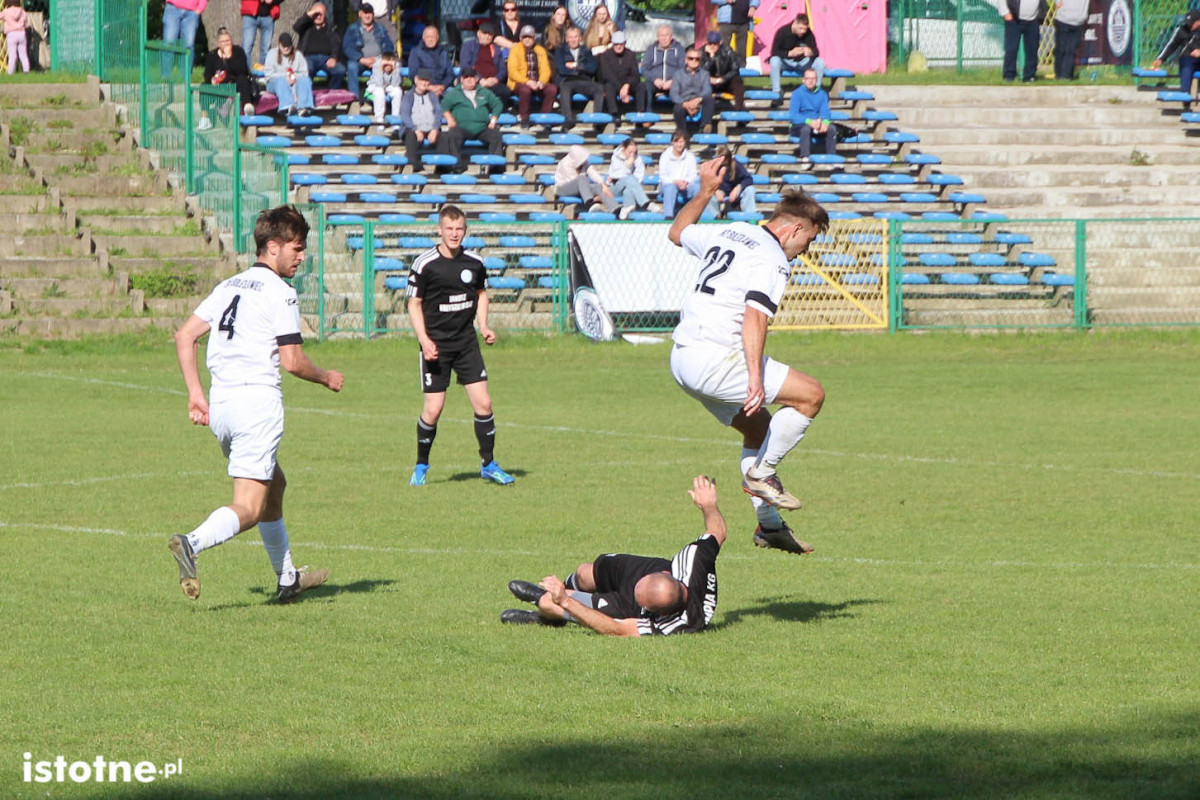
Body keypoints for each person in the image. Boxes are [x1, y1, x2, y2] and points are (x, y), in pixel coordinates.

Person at [170, 205, 343, 603]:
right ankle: (191, 542)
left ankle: (287, 579)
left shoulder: (229, 285)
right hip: (256, 406)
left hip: (224, 405)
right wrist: (327, 376)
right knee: (249, 507)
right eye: (297, 249)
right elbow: (293, 361)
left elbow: (185, 337)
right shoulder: (281, 293)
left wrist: (196, 394)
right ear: (272, 246)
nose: (302, 257)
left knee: (274, 484)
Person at [666, 158, 829, 555]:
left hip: (682, 358)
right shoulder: (772, 258)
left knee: (758, 431)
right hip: (717, 360)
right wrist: (754, 376)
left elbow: (677, 232)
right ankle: (764, 473)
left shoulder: (733, 231)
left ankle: (769, 527)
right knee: (810, 395)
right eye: (806, 243)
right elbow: (755, 317)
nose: (800, 253)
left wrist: (705, 190)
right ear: (794, 229)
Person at [501, 475, 725, 636]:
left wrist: (566, 601)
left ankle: (545, 615)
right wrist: (708, 505)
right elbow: (718, 531)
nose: (633, 587)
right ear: (668, 575)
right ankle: (568, 588)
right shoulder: (694, 563)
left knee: (549, 603)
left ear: (651, 611)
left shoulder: (670, 625)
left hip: (625, 607)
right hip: (649, 571)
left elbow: (614, 629)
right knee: (585, 572)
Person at [405, 204, 514, 488]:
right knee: (433, 409)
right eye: (449, 229)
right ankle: (421, 465)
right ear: (439, 230)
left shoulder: (475, 263)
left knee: (484, 403)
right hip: (436, 347)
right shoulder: (425, 263)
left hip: (466, 343)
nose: (454, 234)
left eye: (459, 229)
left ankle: (488, 464)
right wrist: (424, 340)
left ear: (465, 230)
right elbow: (414, 304)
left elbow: (481, 295)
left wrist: (484, 325)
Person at [440, 67, 505, 165]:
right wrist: (449, 118)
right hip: (462, 127)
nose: (469, 80)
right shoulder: (454, 93)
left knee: (496, 135)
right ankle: (456, 166)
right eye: (466, 77)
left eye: (472, 77)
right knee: (453, 135)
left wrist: (493, 120)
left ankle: (496, 167)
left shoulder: (484, 92)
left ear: (476, 79)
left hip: (482, 128)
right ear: (461, 79)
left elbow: (497, 104)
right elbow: (443, 106)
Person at [201, 27, 258, 126]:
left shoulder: (238, 51)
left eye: (227, 41)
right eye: (222, 41)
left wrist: (229, 57)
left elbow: (242, 70)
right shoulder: (212, 55)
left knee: (243, 79)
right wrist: (211, 79)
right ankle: (205, 118)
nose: (225, 43)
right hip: (219, 86)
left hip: (235, 84)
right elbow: (207, 73)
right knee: (204, 86)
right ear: (218, 43)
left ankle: (247, 107)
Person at [507, 25, 559, 126]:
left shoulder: (540, 50)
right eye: (525, 37)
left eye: (530, 37)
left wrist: (542, 82)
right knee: (525, 91)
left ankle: (545, 118)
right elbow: (512, 71)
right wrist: (527, 81)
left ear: (534, 38)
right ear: (520, 38)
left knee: (552, 89)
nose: (527, 40)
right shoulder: (515, 50)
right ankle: (524, 118)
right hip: (520, 82)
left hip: (537, 81)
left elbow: (546, 70)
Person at [343, 4, 395, 100]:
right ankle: (355, 98)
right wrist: (361, 59)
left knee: (389, 65)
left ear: (373, 15)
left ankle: (383, 97)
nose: (367, 16)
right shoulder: (352, 28)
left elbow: (389, 45)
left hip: (378, 60)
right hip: (360, 60)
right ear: (360, 14)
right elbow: (347, 47)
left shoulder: (380, 28)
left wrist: (380, 59)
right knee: (351, 66)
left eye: (369, 13)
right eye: (365, 13)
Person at [554, 26, 603, 127]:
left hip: (583, 80)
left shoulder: (586, 51)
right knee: (564, 88)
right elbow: (561, 69)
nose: (573, 40)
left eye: (575, 37)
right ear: (566, 39)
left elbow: (593, 67)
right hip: (567, 80)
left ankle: (597, 121)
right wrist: (579, 70)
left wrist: (576, 66)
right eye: (570, 37)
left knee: (599, 88)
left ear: (580, 38)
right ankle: (568, 121)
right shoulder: (560, 51)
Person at [769, 13, 824, 99]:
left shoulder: (809, 34)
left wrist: (811, 52)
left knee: (820, 62)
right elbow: (774, 51)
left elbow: (816, 52)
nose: (803, 31)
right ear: (794, 23)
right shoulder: (782, 32)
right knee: (774, 60)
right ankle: (776, 91)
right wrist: (789, 53)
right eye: (800, 28)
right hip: (786, 62)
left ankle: (816, 90)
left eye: (805, 29)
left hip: (803, 63)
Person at [293, 2, 346, 90]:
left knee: (340, 70)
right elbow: (296, 27)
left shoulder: (330, 28)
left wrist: (334, 58)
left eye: (320, 14)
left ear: (325, 14)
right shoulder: (306, 27)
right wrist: (309, 13)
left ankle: (332, 94)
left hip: (326, 59)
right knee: (307, 69)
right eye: (315, 14)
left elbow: (336, 44)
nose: (318, 17)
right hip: (308, 57)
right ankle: (307, 94)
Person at [554, 144, 619, 214]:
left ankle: (616, 209)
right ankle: (589, 203)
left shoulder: (583, 163)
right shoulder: (565, 164)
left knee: (599, 187)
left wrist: (603, 185)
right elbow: (575, 181)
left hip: (581, 188)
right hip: (563, 189)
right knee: (582, 178)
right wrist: (593, 197)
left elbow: (592, 172)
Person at [459, 21, 513, 106]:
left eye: (490, 34)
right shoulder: (468, 46)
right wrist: (480, 79)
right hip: (475, 82)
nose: (487, 37)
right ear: (478, 33)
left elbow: (503, 70)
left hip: (493, 82)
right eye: (485, 34)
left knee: (505, 91)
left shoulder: (497, 49)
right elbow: (465, 66)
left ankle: (499, 114)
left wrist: (496, 79)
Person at [789, 68, 835, 161]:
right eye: (808, 78)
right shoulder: (797, 93)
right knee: (805, 129)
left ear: (817, 80)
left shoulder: (822, 94)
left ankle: (832, 159)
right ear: (803, 80)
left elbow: (825, 111)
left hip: (817, 124)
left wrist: (825, 122)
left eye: (813, 78)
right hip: (799, 125)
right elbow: (793, 115)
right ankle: (805, 157)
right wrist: (809, 122)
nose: (811, 81)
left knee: (831, 128)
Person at [264, 33, 316, 117]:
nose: (286, 48)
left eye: (288, 46)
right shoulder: (272, 54)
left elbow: (304, 73)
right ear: (279, 45)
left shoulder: (298, 55)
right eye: (283, 46)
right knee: (281, 81)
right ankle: (287, 106)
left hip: (294, 81)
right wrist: (286, 76)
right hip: (275, 83)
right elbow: (268, 75)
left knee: (305, 80)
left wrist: (293, 77)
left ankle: (304, 107)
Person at [657, 128, 706, 217]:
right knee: (670, 188)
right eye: (677, 142)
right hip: (669, 184)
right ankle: (668, 216)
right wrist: (675, 182)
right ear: (672, 142)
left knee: (699, 188)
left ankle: (702, 215)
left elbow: (692, 175)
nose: (679, 145)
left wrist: (685, 182)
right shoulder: (665, 156)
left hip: (685, 185)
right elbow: (663, 176)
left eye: (681, 142)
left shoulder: (690, 156)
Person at [399, 69, 442, 167]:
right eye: (422, 80)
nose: (424, 83)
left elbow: (438, 113)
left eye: (427, 80)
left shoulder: (433, 96)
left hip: (430, 129)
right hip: (413, 129)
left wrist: (435, 129)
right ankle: (412, 164)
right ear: (416, 80)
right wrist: (416, 129)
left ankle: (443, 167)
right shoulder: (409, 96)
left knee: (445, 138)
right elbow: (405, 115)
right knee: (410, 136)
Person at [991, 0, 1042, 82]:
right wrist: (1005, 13)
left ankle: (1030, 76)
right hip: (1014, 19)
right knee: (1011, 49)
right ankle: (1009, 76)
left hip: (1033, 20)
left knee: (1032, 49)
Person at [607, 138, 661, 215]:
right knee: (630, 178)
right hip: (615, 187)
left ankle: (628, 213)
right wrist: (628, 165)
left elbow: (640, 176)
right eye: (630, 152)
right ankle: (646, 204)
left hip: (630, 186)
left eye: (634, 152)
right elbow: (616, 175)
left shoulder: (638, 158)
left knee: (628, 191)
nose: (632, 155)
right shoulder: (615, 157)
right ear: (624, 149)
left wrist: (632, 183)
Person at [1152, 10, 1200, 94]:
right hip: (1188, 59)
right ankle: (1185, 95)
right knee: (1186, 66)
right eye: (1188, 22)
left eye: (1192, 23)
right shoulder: (1181, 30)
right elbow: (1171, 45)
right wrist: (1161, 58)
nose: (1189, 25)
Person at [640, 24, 685, 112]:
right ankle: (647, 116)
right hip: (655, 82)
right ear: (658, 37)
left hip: (673, 82)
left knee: (681, 87)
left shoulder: (679, 48)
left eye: (666, 35)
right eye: (661, 36)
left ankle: (680, 115)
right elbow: (644, 68)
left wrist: (673, 81)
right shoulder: (651, 49)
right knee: (646, 87)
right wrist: (655, 80)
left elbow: (683, 68)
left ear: (671, 37)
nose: (664, 39)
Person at [698, 30, 745, 110]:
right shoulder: (701, 53)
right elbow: (700, 71)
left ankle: (740, 111)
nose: (712, 46)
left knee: (738, 82)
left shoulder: (728, 51)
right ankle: (705, 112)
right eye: (710, 43)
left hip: (724, 81)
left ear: (720, 42)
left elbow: (735, 69)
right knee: (700, 83)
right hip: (709, 82)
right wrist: (711, 58)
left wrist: (723, 79)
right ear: (706, 42)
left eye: (715, 43)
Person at [670, 47, 714, 132]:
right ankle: (682, 133)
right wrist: (686, 104)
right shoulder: (678, 74)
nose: (694, 61)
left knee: (710, 99)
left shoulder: (705, 74)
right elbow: (674, 94)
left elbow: (707, 89)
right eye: (691, 58)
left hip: (699, 102)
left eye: (697, 59)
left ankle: (705, 126)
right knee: (677, 108)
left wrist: (697, 100)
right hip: (684, 102)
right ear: (686, 60)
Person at [161, 0, 207, 78]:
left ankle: (186, 78)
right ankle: (165, 76)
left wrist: (200, 8)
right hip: (172, 8)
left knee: (188, 45)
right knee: (168, 43)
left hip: (192, 12)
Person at [408, 24, 455, 98]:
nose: (430, 39)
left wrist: (442, 86)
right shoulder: (416, 52)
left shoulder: (443, 52)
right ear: (423, 38)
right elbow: (413, 74)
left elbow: (450, 74)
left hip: (442, 88)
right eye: (428, 37)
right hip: (424, 88)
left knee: (453, 94)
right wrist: (429, 87)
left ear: (437, 38)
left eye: (433, 37)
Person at [713, 147, 756, 216]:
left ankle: (750, 217)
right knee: (709, 194)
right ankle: (715, 217)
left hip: (735, 191)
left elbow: (748, 179)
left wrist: (738, 188)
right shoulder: (713, 166)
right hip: (720, 190)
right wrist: (716, 190)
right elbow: (707, 181)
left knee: (750, 190)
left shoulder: (736, 165)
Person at [241, 0, 281, 68]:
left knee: (266, 49)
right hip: (249, 14)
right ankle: (245, 74)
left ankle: (261, 73)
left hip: (269, 15)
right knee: (246, 47)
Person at [1052, 0, 1086, 80]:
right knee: (1061, 49)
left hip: (1078, 22)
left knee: (1071, 51)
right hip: (1063, 19)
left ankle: (1067, 75)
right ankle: (1059, 74)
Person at [368, 50, 403, 124]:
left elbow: (395, 84)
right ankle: (379, 118)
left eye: (389, 65)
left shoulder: (396, 66)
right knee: (379, 91)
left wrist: (394, 70)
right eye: (385, 65)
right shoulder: (377, 65)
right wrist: (381, 68)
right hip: (375, 85)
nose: (387, 67)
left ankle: (395, 117)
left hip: (388, 85)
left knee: (398, 91)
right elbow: (379, 83)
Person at [1, 0, 30, 75]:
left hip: (11, 34)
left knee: (12, 55)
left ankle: (10, 72)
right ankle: (26, 70)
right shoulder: (22, 12)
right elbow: (26, 25)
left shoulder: (6, 12)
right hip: (22, 33)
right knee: (23, 54)